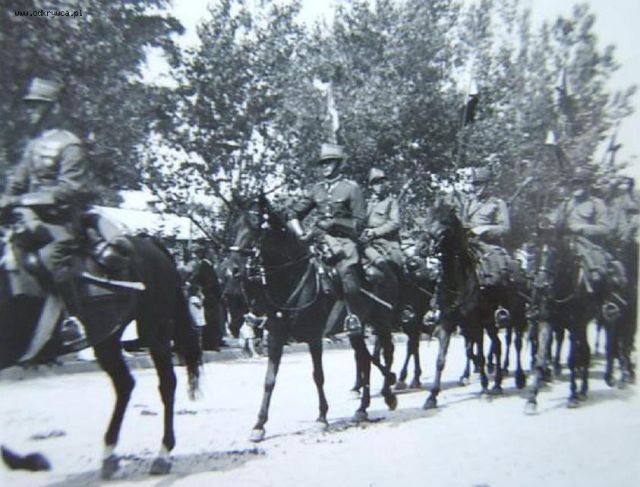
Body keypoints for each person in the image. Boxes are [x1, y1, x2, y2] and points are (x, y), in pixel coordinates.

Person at [1, 77, 90, 346]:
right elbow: (16, 182)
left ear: (54, 108)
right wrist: (6, 198)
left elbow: (68, 190)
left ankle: (73, 320)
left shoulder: (71, 144)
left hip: (59, 222)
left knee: (52, 258)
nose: (30, 110)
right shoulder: (33, 145)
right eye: (29, 105)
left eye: (37, 105)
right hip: (26, 219)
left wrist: (20, 201)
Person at [289, 143, 366, 329]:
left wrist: (336, 223)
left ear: (339, 164)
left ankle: (352, 317)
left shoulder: (351, 188)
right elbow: (293, 213)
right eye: (322, 163)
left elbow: (359, 224)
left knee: (346, 274)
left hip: (344, 242)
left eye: (329, 162)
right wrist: (301, 234)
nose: (325, 166)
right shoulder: (316, 189)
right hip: (318, 241)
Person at [547, 167, 612, 285]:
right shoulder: (566, 204)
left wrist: (582, 228)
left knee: (598, 275)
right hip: (565, 244)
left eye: (580, 182)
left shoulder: (596, 204)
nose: (576, 186)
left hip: (589, 246)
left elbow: (605, 229)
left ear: (587, 184)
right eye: (574, 183)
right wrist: (549, 223)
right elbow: (554, 220)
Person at [360, 168, 403, 282]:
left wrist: (374, 232)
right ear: (371, 186)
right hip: (367, 242)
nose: (379, 185)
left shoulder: (391, 202)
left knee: (395, 267)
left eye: (381, 182)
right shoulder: (367, 203)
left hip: (387, 243)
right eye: (375, 183)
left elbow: (395, 223)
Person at [189, 245, 226, 351]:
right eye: (211, 254)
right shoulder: (203, 265)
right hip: (210, 297)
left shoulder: (207, 265)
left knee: (214, 320)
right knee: (211, 320)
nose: (213, 255)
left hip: (213, 297)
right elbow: (198, 280)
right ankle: (210, 343)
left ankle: (213, 342)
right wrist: (204, 291)